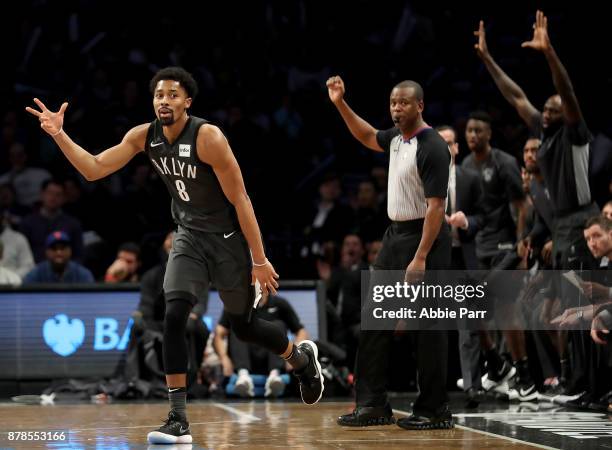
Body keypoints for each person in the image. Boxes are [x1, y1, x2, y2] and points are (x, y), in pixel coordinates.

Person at [26, 66, 323, 445]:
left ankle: (299, 359)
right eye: (158, 95)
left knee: (245, 326)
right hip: (188, 237)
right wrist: (59, 135)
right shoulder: (144, 136)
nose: (164, 100)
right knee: (175, 315)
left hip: (229, 239)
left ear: (187, 102)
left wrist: (259, 259)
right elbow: (94, 168)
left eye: (172, 95)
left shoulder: (208, 137)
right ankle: (177, 418)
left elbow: (241, 199)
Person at [474, 10, 600, 398]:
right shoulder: (543, 135)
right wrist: (487, 59)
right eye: (543, 110)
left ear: (566, 115)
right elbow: (515, 96)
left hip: (582, 221)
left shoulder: (575, 134)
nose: (544, 113)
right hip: (562, 227)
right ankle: (575, 382)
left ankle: (591, 385)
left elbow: (568, 92)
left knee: (586, 308)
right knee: (566, 310)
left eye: (552, 110)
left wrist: (549, 54)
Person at [327, 75, 452, 430]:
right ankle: (372, 404)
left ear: (420, 106)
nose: (396, 108)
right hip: (395, 236)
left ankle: (434, 409)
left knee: (428, 327)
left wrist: (421, 256)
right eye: (393, 103)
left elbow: (436, 207)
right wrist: (340, 103)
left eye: (404, 103)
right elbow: (367, 135)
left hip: (426, 239)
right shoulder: (396, 139)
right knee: (374, 320)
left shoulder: (433, 146)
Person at [213, 293, 309, 398]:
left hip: (271, 359)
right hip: (244, 357)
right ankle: (243, 376)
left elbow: (301, 332)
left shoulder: (279, 304)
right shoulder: (236, 304)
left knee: (278, 325)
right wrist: (224, 358)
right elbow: (219, 333)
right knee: (238, 326)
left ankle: (274, 376)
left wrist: (292, 356)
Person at [22, 231, 94, 284]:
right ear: (46, 252)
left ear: (70, 250)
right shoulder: (36, 273)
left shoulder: (82, 274)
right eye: (54, 249)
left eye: (63, 248)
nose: (59, 252)